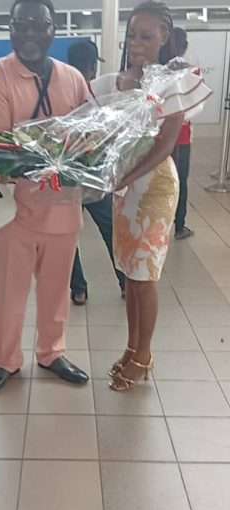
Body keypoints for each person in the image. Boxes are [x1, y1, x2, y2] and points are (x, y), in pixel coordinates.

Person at [0, 0, 90, 396]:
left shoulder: (72, 78)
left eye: (39, 25)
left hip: (64, 210)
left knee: (57, 292)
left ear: (53, 29)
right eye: (20, 25)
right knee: (9, 294)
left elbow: (89, 138)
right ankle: (6, 361)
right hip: (13, 212)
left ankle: (52, 353)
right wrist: (60, 152)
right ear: (9, 28)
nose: (29, 33)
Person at [99, 1, 183, 391]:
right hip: (125, 187)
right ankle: (131, 348)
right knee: (130, 275)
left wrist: (125, 178)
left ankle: (144, 356)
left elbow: (165, 145)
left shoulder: (171, 84)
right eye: (132, 35)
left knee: (145, 277)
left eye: (146, 37)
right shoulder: (119, 81)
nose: (136, 43)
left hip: (154, 188)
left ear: (164, 38)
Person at [67, 40, 126, 305]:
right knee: (111, 231)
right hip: (93, 177)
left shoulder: (60, 92)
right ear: (92, 67)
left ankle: (78, 289)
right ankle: (125, 283)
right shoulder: (97, 94)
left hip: (66, 177)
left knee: (68, 234)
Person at [172, 27, 194, 240]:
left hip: (159, 137)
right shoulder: (191, 73)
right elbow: (195, 106)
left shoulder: (156, 72)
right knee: (180, 181)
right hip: (182, 136)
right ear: (185, 47)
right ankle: (179, 226)